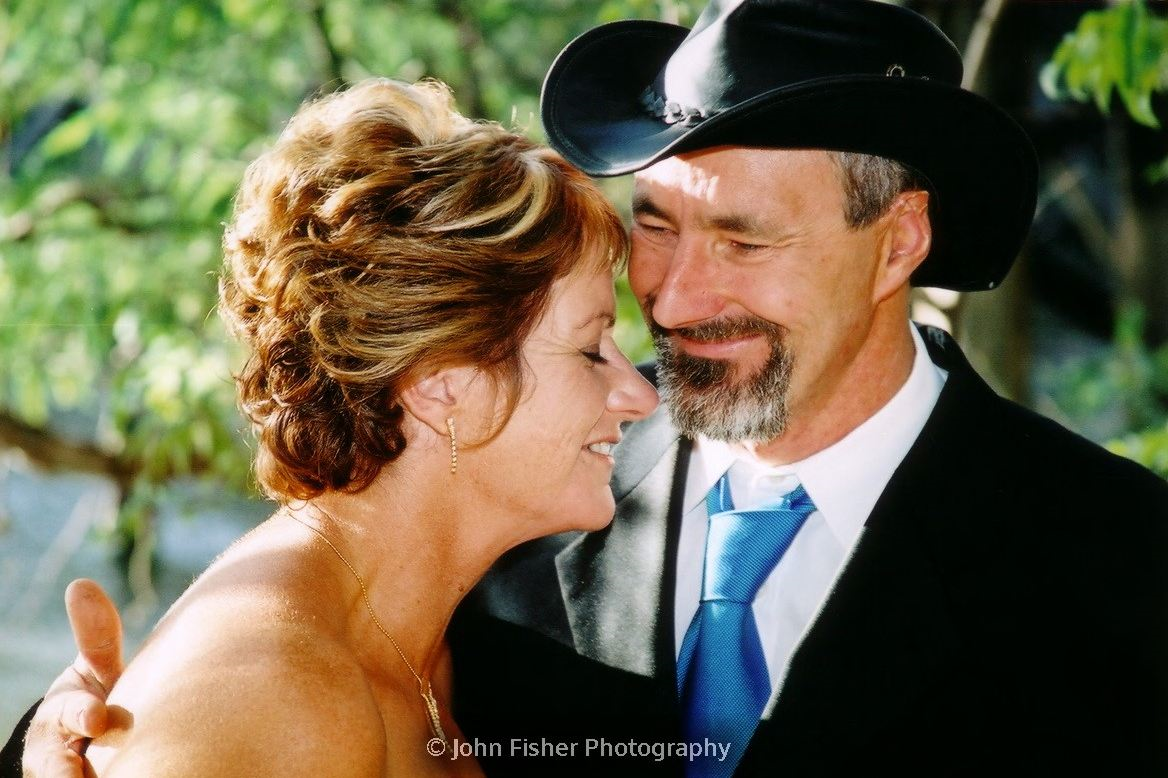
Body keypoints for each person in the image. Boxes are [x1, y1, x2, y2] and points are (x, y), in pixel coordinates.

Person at [10, 0, 1168, 775]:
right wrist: (67, 740)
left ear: (898, 241)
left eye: (744, 240)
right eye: (655, 225)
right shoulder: (504, 495)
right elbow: (243, 685)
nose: (671, 298)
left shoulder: (1122, 563)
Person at [6, 76, 657, 777]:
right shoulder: (281, 697)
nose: (639, 394)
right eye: (591, 349)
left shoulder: (439, 648)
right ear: (442, 382)